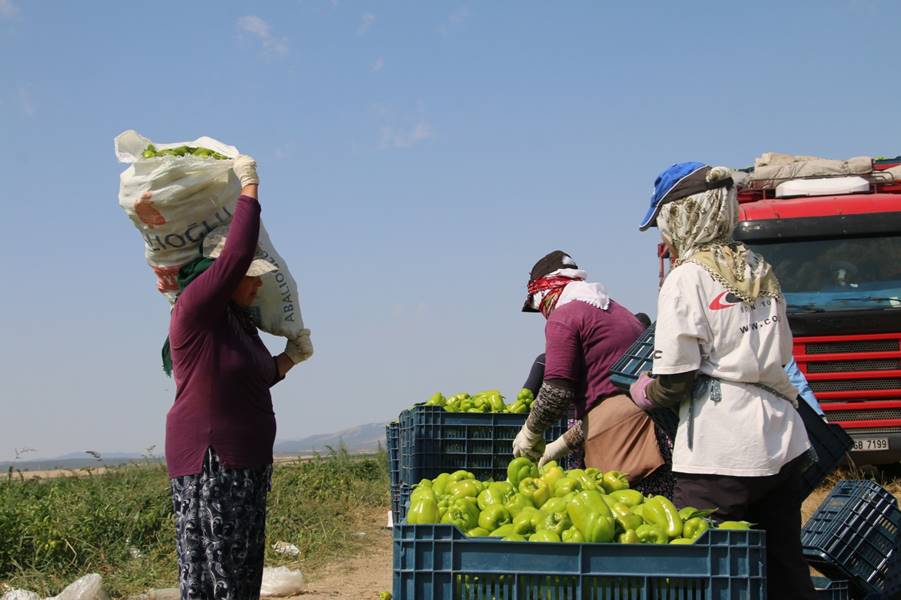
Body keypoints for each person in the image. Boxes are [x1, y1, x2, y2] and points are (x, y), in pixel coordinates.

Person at [629, 162, 815, 600]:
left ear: (683, 215)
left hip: (724, 450)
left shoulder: (686, 277)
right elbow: (783, 352)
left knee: (697, 568)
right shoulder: (757, 266)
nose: (663, 235)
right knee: (784, 568)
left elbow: (675, 378)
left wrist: (644, 393)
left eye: (663, 222)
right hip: (782, 438)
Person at [163, 156, 314, 600]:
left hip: (245, 464)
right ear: (221, 277)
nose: (257, 286)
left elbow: (253, 378)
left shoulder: (237, 325)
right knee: (219, 576)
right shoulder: (197, 308)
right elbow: (236, 253)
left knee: (242, 573)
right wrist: (249, 188)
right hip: (212, 461)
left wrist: (289, 360)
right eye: (250, 278)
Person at [511, 251, 668, 489]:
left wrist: (530, 432)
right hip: (654, 434)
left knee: (627, 517)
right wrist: (558, 446)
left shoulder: (564, 317)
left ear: (546, 292)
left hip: (624, 447)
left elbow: (556, 393)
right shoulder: (618, 312)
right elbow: (606, 404)